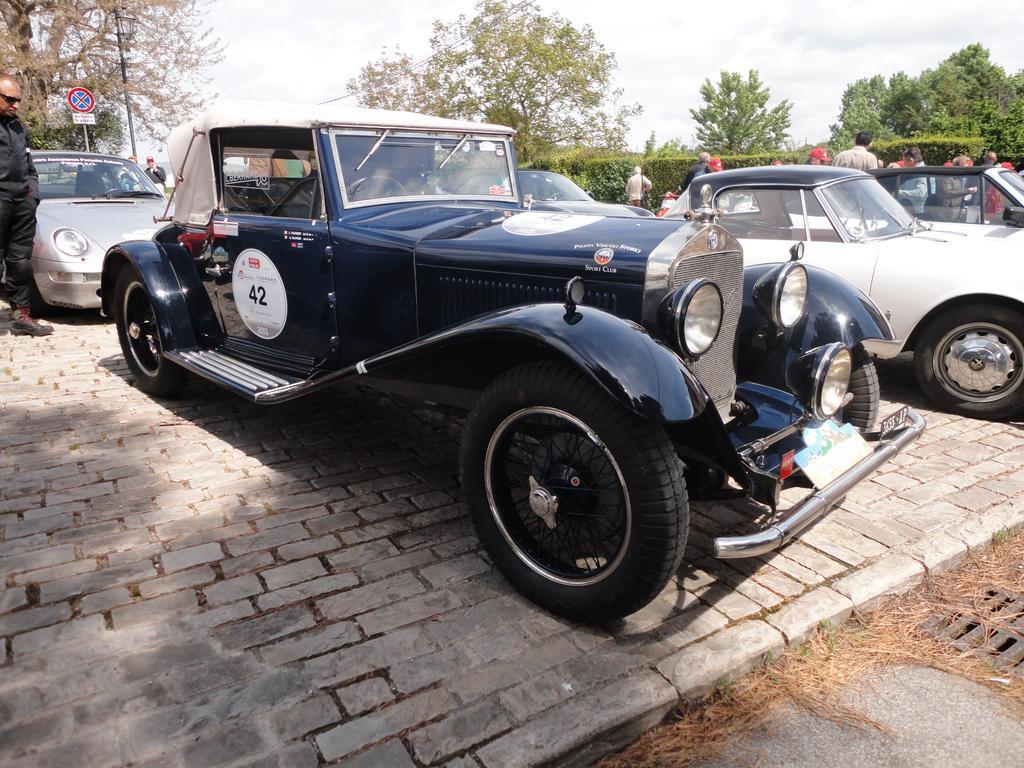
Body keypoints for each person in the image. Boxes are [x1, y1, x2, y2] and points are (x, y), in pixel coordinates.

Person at [0, 74, 50, 336]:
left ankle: (22, 316)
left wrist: (34, 195)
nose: (16, 105)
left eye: (18, 100)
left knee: (20, 262)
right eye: (10, 99)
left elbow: (30, 168)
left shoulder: (20, 129)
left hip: (22, 201)